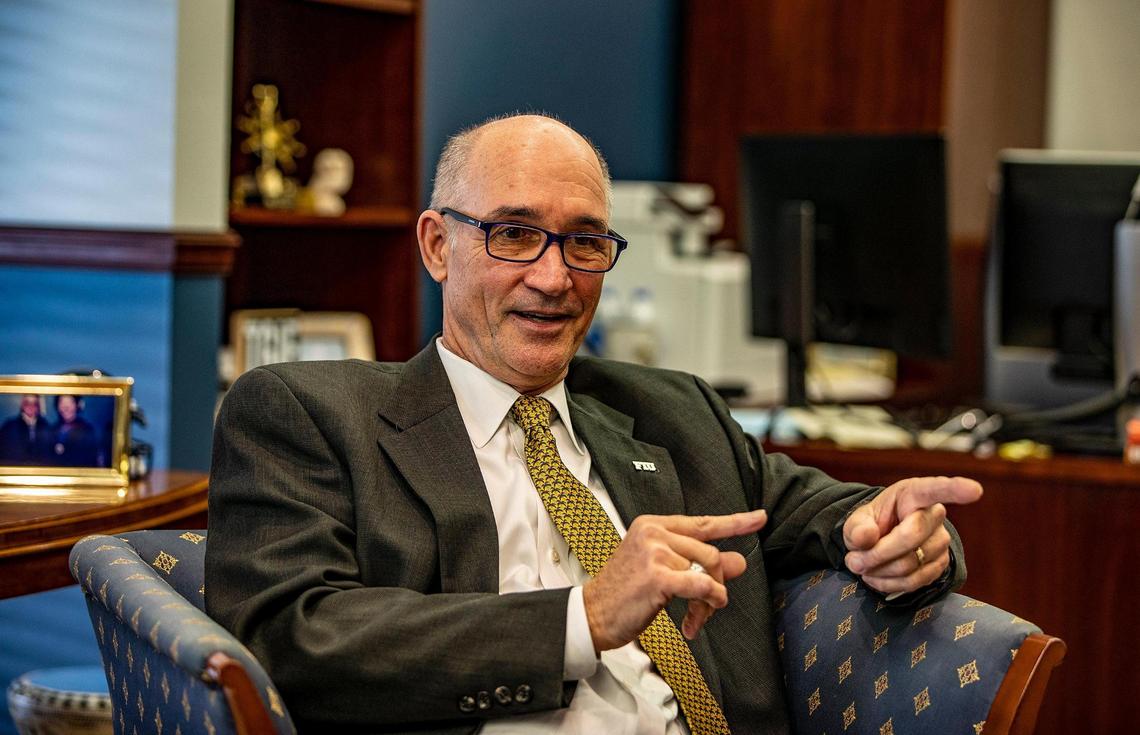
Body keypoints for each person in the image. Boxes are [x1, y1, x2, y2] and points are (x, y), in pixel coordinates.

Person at [206, 113, 982, 734]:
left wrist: (901, 537)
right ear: (438, 246)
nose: (554, 278)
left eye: (584, 242)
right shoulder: (305, 414)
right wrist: (582, 617)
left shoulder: (673, 412)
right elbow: (290, 635)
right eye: (513, 234)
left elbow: (827, 511)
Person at [50, 394, 101, 467]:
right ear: (57, 406)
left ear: (77, 405)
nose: (66, 407)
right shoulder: (52, 430)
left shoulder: (87, 430)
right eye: (62, 402)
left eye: (70, 402)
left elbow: (92, 462)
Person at [0, 394, 53, 465]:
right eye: (27, 403)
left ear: (38, 406)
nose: (30, 406)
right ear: (22, 405)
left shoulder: (46, 426)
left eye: (34, 404)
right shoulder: (9, 426)